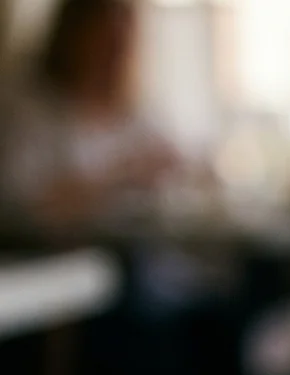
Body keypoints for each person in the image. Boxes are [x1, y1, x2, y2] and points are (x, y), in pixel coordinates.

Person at [0, 0, 177, 232]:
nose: (115, 55)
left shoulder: (136, 112)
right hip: (53, 255)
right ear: (73, 38)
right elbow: (21, 204)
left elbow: (176, 160)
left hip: (132, 247)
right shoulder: (28, 109)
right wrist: (118, 177)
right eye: (106, 43)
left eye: (122, 44)